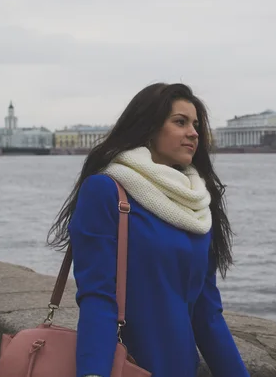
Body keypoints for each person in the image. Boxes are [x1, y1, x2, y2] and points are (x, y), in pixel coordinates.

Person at [47, 83, 250, 377]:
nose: (194, 132)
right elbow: (98, 297)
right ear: (149, 128)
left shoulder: (197, 205)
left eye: (195, 124)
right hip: (127, 366)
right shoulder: (106, 191)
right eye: (180, 122)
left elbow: (207, 314)